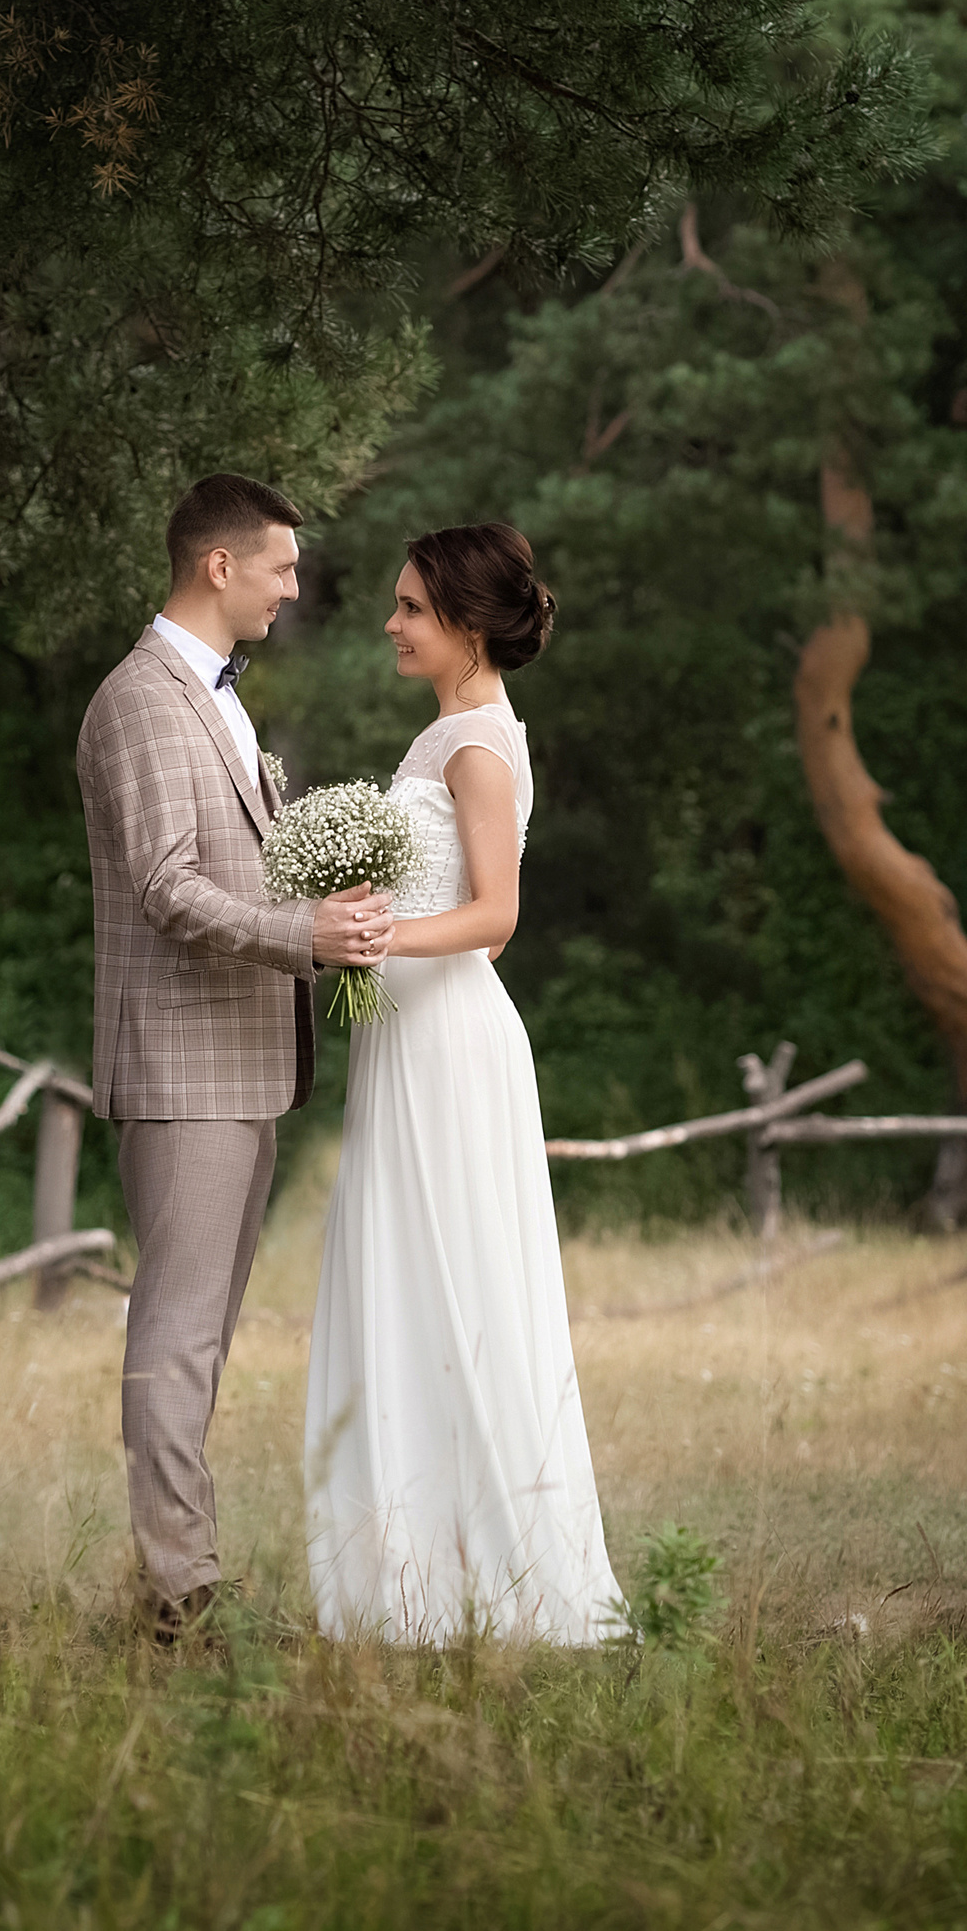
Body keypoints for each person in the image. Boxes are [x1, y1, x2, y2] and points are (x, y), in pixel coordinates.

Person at [77, 473, 394, 1643]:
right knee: (176, 1326)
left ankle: (182, 1569)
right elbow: (165, 886)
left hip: (241, 1062)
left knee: (200, 1326)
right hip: (182, 1067)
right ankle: (177, 1589)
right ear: (219, 565)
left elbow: (235, 868)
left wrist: (329, 903)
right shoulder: (145, 699)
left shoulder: (213, 697)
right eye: (281, 566)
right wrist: (301, 936)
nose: (293, 586)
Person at [304, 522, 623, 1645]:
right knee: (408, 1283)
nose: (389, 624)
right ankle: (416, 1581)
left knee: (454, 1283)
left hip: (448, 1046)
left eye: (408, 608)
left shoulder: (477, 744)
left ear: (469, 623)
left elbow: (495, 920)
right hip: (409, 1039)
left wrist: (372, 937)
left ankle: (497, 1582)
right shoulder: (446, 732)